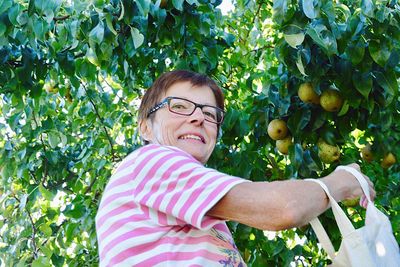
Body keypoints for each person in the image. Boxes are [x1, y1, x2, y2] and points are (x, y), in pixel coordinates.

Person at [95, 70, 375, 266]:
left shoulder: (188, 208)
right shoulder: (152, 162)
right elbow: (284, 209)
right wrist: (341, 180)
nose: (198, 118)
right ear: (145, 126)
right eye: (179, 106)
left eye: (209, 114)